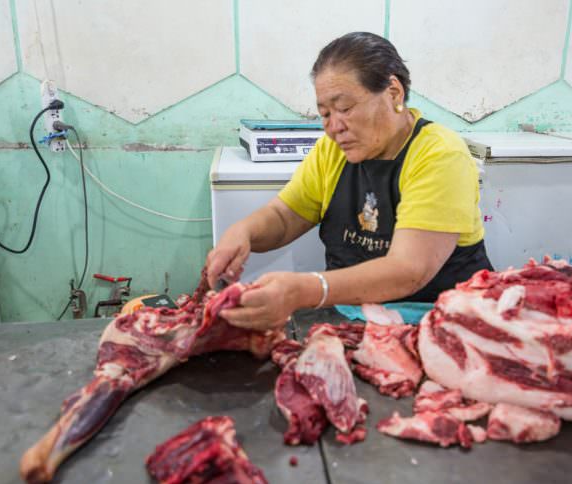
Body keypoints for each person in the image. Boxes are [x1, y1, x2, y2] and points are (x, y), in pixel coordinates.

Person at [206, 32, 493, 330]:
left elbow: (408, 270)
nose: (334, 127)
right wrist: (243, 233)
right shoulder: (332, 151)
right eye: (325, 114)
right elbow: (285, 215)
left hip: (440, 321)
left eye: (344, 109)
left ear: (393, 92)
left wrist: (302, 290)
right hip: (351, 319)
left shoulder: (439, 154)